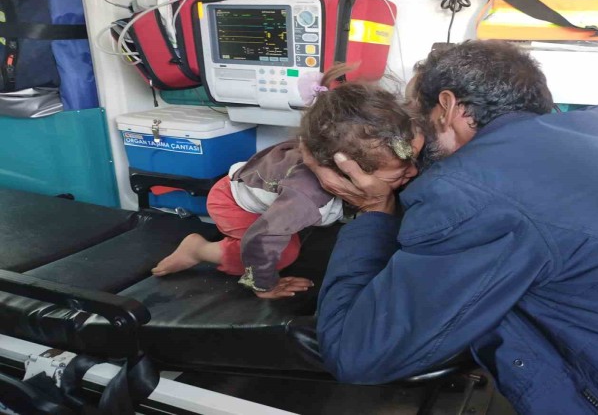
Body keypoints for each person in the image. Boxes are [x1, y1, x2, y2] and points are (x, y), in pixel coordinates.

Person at [304, 40, 598, 413]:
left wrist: (373, 209)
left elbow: (358, 354)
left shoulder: (469, 190)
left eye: (413, 111)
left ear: (447, 108)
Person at [152, 65, 423, 299]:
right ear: (344, 171)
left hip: (262, 181)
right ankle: (198, 249)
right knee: (285, 253)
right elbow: (261, 239)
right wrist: (264, 284)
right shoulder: (305, 198)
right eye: (399, 175)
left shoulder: (336, 148)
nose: (412, 172)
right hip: (232, 203)